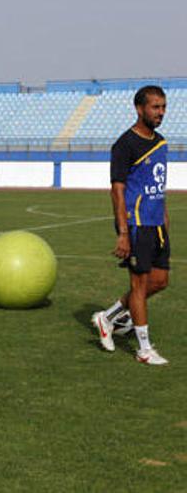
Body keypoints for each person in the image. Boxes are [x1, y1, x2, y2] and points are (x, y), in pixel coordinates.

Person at [92, 85, 170, 365]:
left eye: (163, 107)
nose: (160, 112)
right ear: (140, 109)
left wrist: (164, 217)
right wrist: (123, 232)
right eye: (155, 107)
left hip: (156, 223)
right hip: (136, 225)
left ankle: (108, 316)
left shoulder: (161, 142)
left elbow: (158, 186)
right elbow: (118, 190)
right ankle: (144, 351)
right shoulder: (125, 144)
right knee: (138, 285)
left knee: (160, 281)